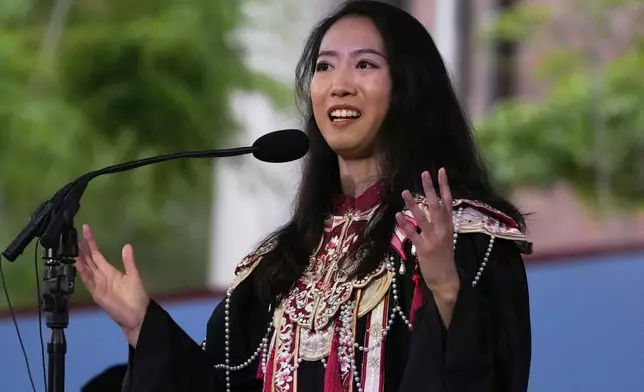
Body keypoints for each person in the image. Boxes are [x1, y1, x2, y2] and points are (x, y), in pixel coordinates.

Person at [74, 1, 533, 391]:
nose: (340, 84)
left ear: (409, 88)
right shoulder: (278, 264)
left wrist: (445, 289)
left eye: (366, 64)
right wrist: (142, 325)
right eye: (325, 66)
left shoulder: (465, 236)